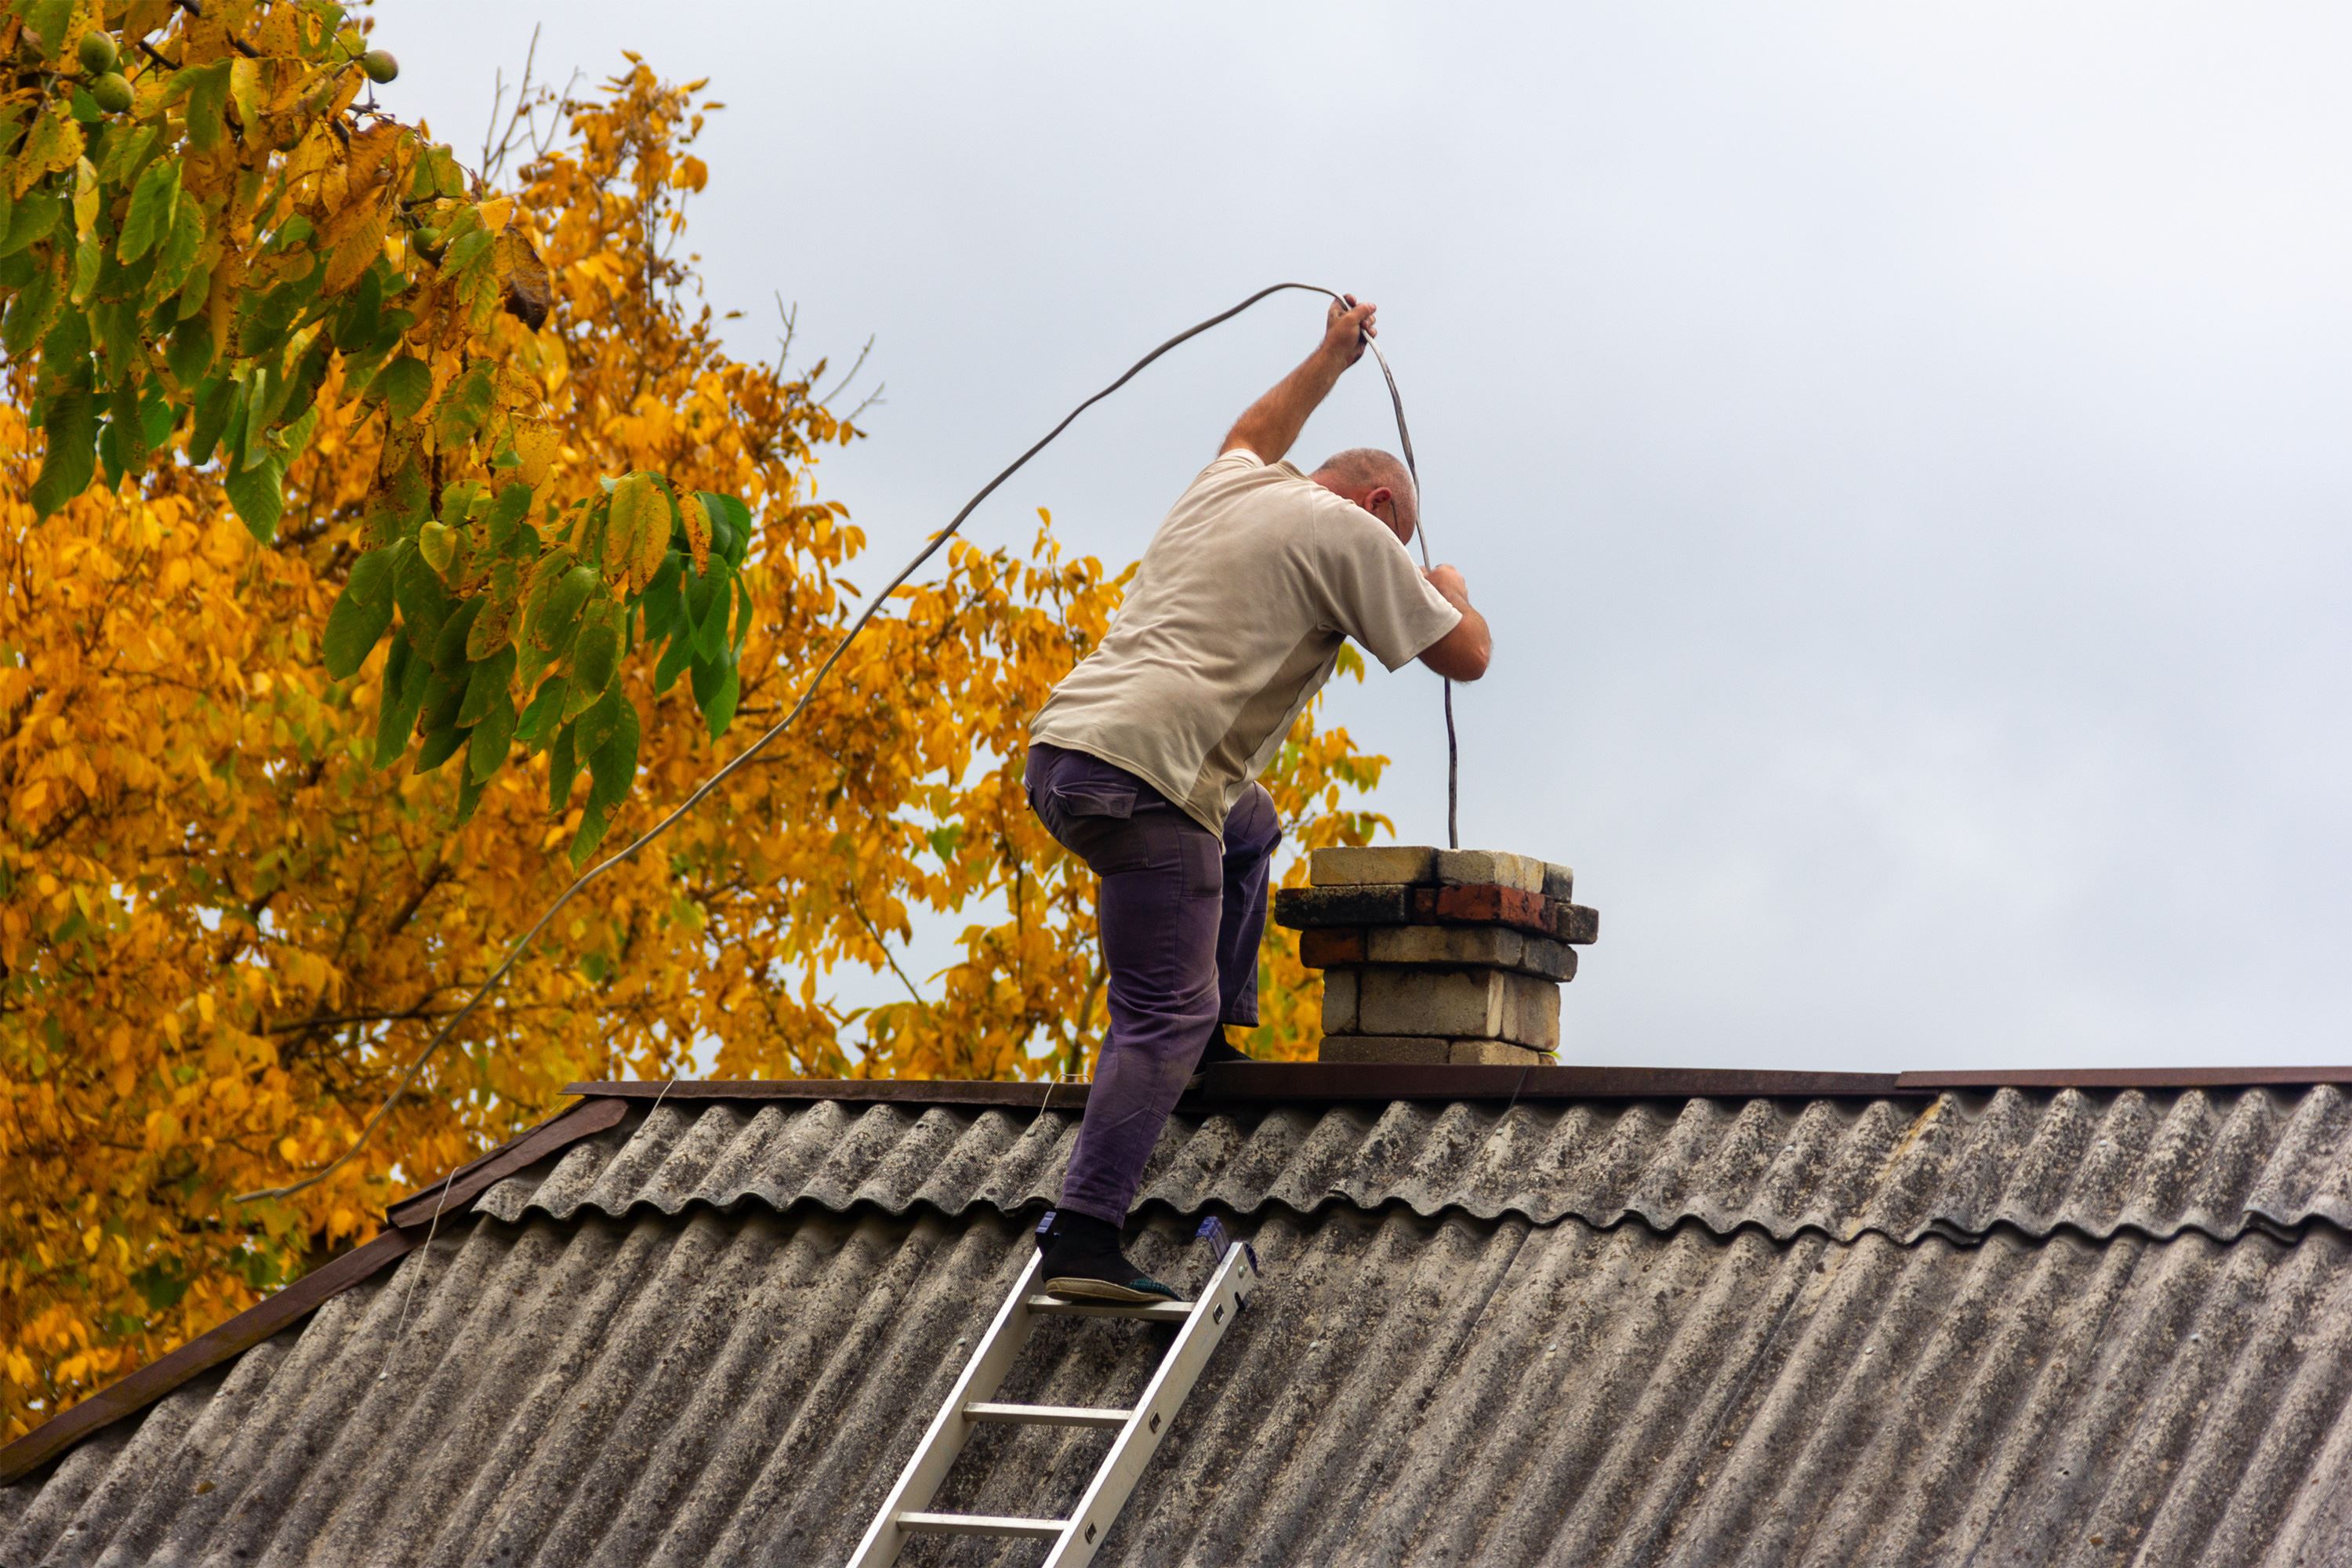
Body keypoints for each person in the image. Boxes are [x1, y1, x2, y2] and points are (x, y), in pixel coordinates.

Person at [1023, 295, 1493, 1301]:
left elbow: (1252, 429)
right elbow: (1469, 654)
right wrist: (1448, 582)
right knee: (1161, 1008)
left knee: (1253, 818)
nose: (1396, 554)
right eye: (1398, 535)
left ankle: (1207, 1041)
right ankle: (1085, 1234)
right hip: (1154, 782)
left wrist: (1328, 358)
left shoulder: (1234, 482)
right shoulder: (1354, 534)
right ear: (1379, 511)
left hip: (1067, 752)